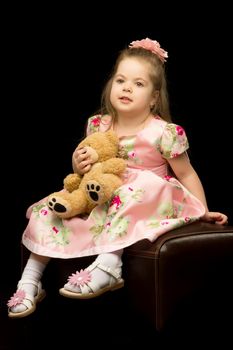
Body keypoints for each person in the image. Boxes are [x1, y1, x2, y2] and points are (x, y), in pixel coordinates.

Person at [7, 37, 228, 318]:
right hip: (103, 194)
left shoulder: (164, 132)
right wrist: (78, 162)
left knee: (133, 190)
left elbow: (186, 172)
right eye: (121, 80)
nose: (127, 88)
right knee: (50, 207)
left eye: (139, 84)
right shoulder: (99, 124)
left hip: (149, 196)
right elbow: (87, 172)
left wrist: (203, 211)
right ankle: (30, 280)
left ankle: (109, 265)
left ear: (154, 98)